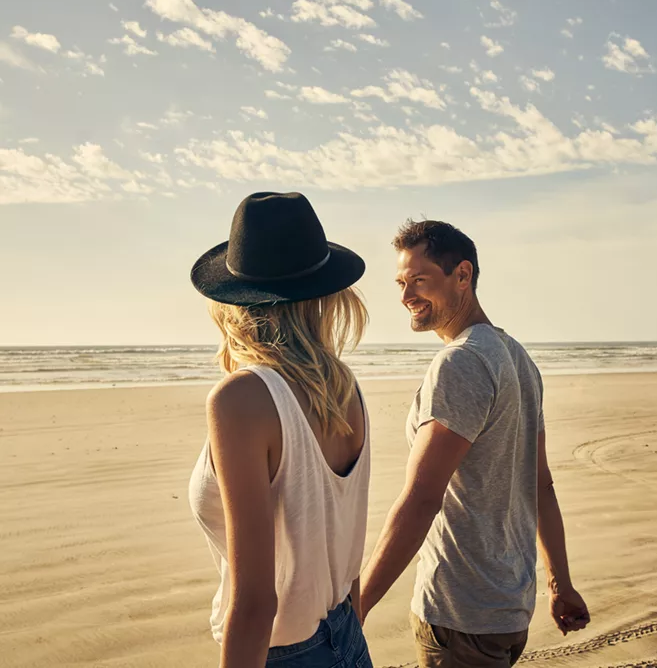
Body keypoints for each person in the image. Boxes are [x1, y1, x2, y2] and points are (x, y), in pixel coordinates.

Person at [360, 219, 589, 668]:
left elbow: (422, 498)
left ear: (462, 275)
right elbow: (540, 485)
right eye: (402, 283)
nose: (406, 296)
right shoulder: (516, 356)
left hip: (460, 615)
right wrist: (559, 585)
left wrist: (358, 604)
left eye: (420, 281)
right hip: (506, 611)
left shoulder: (461, 363)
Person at [188, 191, 373, 668]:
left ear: (233, 301)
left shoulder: (241, 400)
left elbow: (255, 601)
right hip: (346, 635)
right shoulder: (342, 389)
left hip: (284, 653)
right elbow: (343, 548)